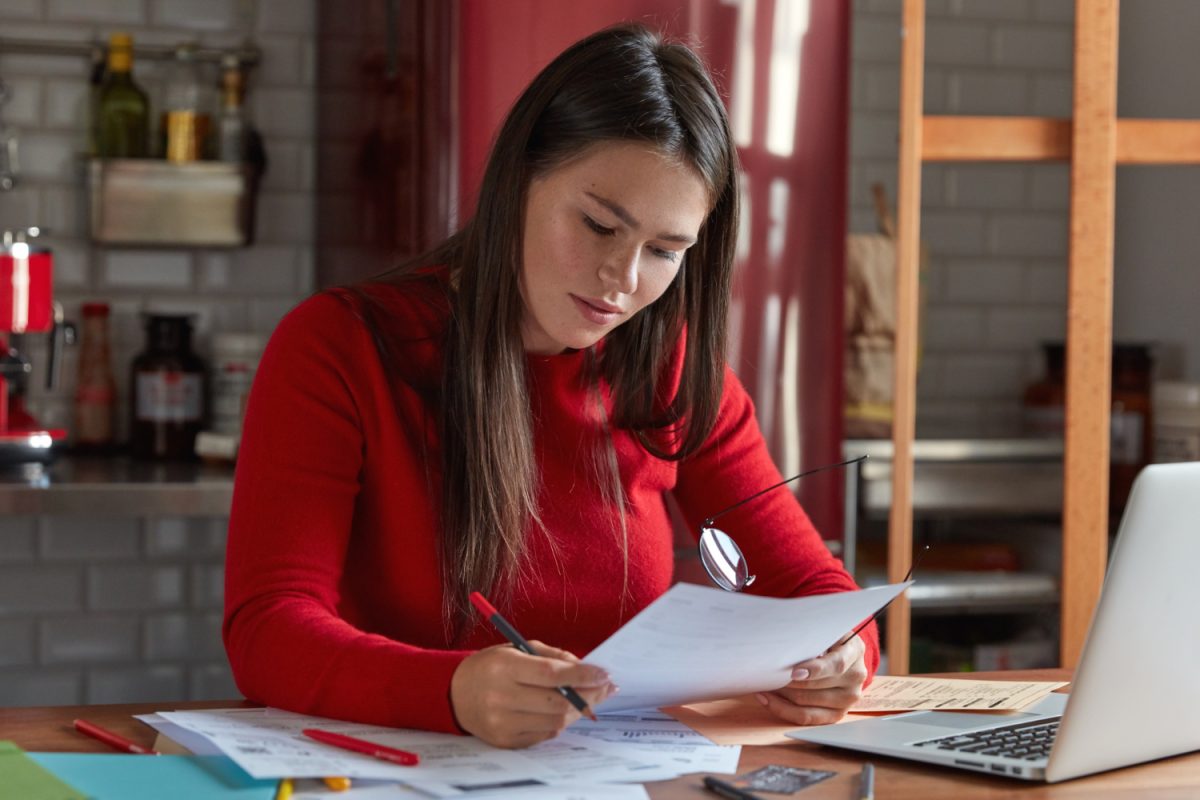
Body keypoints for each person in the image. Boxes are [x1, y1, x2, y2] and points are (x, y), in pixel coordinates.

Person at [223, 23, 878, 750]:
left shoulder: (673, 372)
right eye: (600, 225)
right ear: (519, 179)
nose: (624, 280)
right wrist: (451, 691)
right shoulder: (339, 348)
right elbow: (268, 627)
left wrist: (843, 658)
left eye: (665, 251)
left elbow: (822, 596)